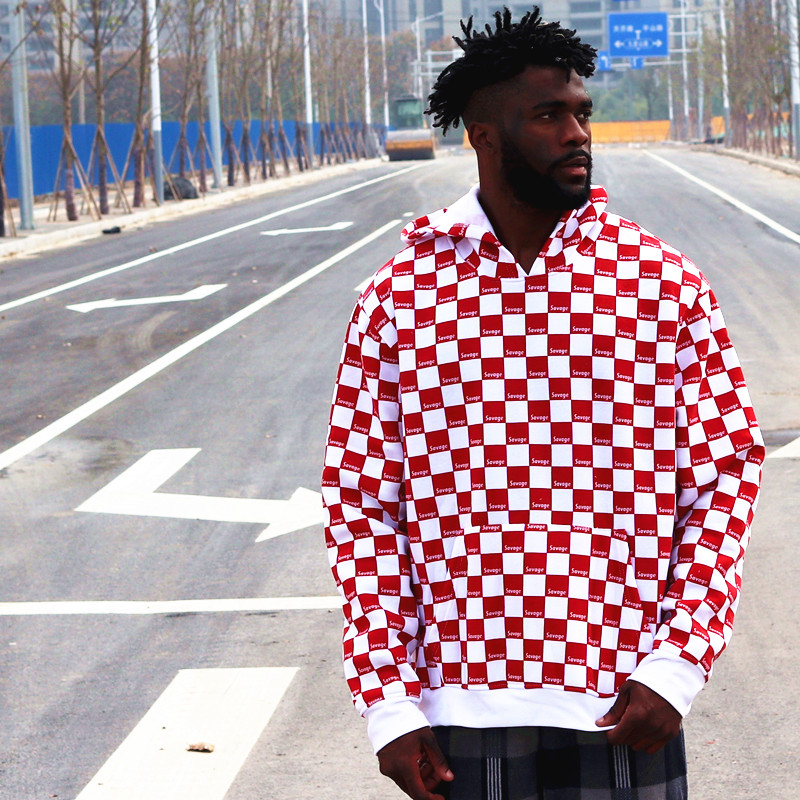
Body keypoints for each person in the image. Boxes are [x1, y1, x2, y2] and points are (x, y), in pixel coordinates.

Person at [321, 7, 764, 800]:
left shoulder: (662, 286)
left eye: (582, 113)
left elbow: (725, 477)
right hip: (456, 717)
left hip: (626, 706)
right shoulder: (398, 299)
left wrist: (679, 661)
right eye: (549, 115)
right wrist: (388, 704)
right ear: (484, 137)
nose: (577, 134)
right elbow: (361, 507)